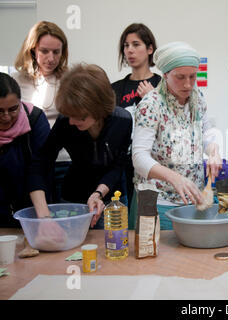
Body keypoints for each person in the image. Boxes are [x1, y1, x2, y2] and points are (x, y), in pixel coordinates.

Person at [132, 41, 222, 230]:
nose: (188, 84)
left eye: (192, 76)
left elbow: (206, 133)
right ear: (165, 75)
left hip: (192, 198)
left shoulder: (198, 98)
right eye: (180, 77)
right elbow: (139, 157)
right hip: (158, 201)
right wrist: (174, 178)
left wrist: (213, 151)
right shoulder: (151, 105)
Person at [30, 64, 133, 228]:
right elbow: (40, 164)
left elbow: (118, 165)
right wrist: (44, 217)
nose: (72, 121)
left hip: (113, 200)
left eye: (80, 117)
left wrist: (98, 193)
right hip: (74, 200)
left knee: (115, 247)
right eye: (70, 115)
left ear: (100, 109)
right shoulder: (66, 122)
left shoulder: (123, 121)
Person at [12, 21, 71, 203]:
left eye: (56, 52)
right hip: (29, 160)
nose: (51, 58)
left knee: (62, 215)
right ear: (32, 50)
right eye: (44, 51)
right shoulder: (15, 81)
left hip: (63, 160)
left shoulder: (69, 79)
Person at [111, 23, 162, 219]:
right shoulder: (114, 88)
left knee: (149, 217)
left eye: (136, 44)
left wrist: (153, 98)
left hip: (153, 163)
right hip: (122, 165)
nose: (130, 50)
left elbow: (171, 123)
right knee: (125, 217)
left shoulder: (162, 86)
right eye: (126, 46)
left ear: (149, 49)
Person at [0, 73, 50, 228]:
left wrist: (44, 220)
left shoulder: (35, 119)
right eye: (0, 111)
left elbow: (38, 169)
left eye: (13, 109)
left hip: (34, 203)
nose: (7, 117)